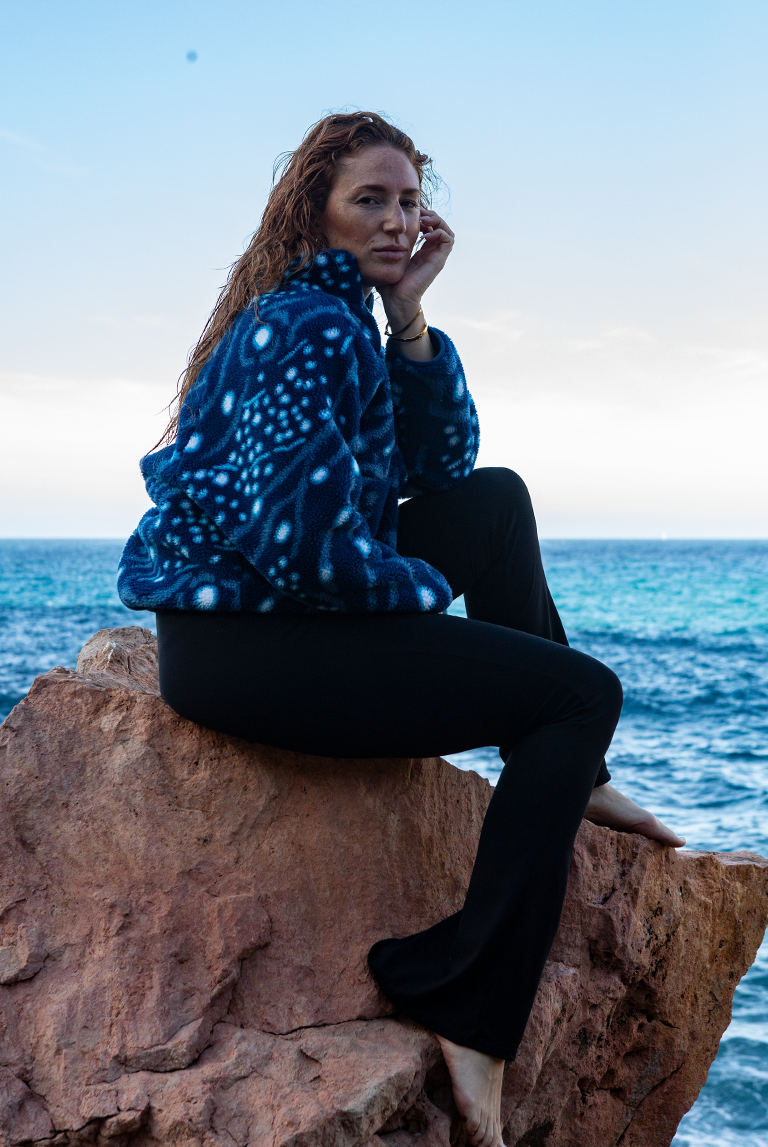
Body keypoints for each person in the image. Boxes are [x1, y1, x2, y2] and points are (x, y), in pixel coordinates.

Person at [118, 111, 685, 1147]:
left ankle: (565, 765)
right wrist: (424, 594)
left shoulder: (350, 319)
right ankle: (473, 1012)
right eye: (368, 200)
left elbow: (443, 473)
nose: (396, 220)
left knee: (499, 501)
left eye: (410, 201)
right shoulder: (306, 326)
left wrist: (412, 322)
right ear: (314, 213)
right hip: (252, 649)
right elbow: (304, 555)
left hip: (261, 625)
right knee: (578, 688)